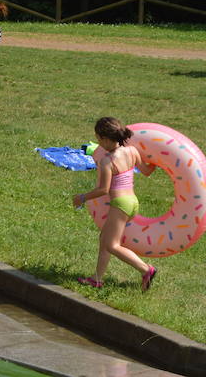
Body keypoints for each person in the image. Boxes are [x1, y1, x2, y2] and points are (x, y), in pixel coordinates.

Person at [72, 117, 158, 291]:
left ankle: (146, 269)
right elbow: (147, 171)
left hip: (120, 204)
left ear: (104, 139)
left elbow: (103, 189)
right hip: (132, 201)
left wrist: (82, 197)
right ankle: (97, 279)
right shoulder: (132, 151)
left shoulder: (106, 161)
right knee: (104, 239)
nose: (97, 142)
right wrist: (160, 157)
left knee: (112, 245)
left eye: (98, 138)